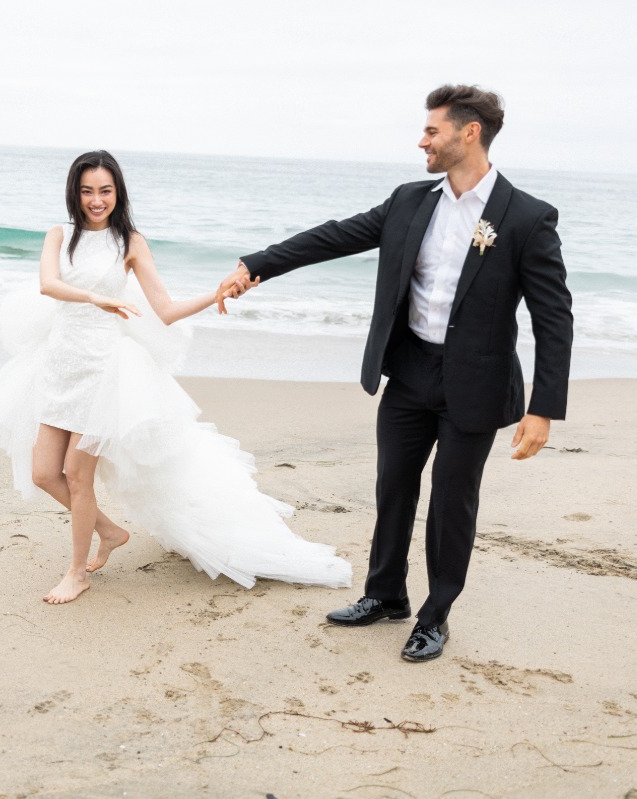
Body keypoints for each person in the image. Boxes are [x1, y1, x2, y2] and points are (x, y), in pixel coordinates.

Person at [218, 85, 573, 661]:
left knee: (452, 502)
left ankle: (435, 615)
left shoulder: (527, 217)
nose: (422, 140)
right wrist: (256, 265)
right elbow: (333, 236)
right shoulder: (410, 200)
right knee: (393, 490)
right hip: (410, 372)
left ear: (469, 133)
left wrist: (543, 407)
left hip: (475, 385)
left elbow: (554, 317)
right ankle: (385, 595)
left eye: (432, 130)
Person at [0, 150, 351, 604]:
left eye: (105, 191)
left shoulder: (130, 242)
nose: (96, 200)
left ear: (118, 193)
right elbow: (48, 285)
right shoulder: (60, 236)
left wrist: (216, 293)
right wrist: (94, 298)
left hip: (103, 370)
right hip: (61, 362)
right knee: (44, 473)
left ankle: (77, 573)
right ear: (74, 193)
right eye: (87, 191)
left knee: (79, 477)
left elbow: (165, 309)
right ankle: (108, 530)